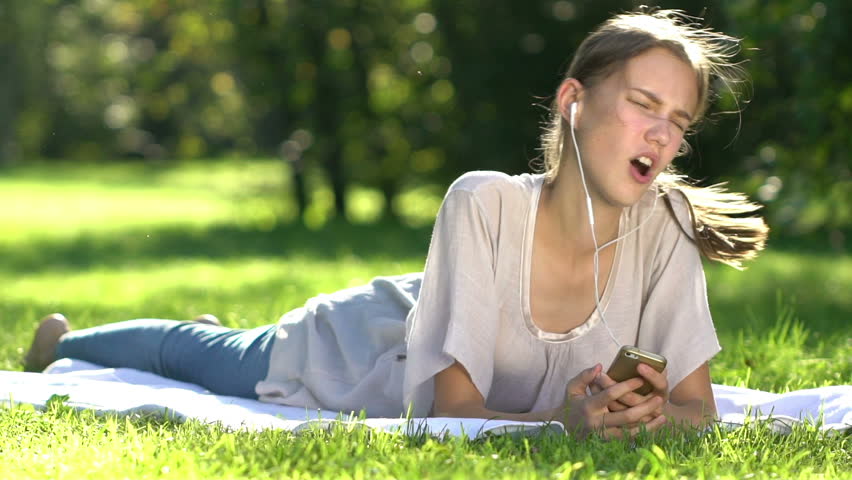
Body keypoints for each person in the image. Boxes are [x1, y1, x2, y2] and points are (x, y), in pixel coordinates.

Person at [23, 8, 767, 439]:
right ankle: (62, 340)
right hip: (356, 350)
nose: (663, 136)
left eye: (679, 121)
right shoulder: (481, 202)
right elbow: (454, 413)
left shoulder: (665, 224)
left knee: (217, 346)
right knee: (205, 353)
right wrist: (563, 426)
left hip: (433, 313)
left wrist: (641, 419)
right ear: (574, 101)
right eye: (643, 104)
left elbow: (697, 409)